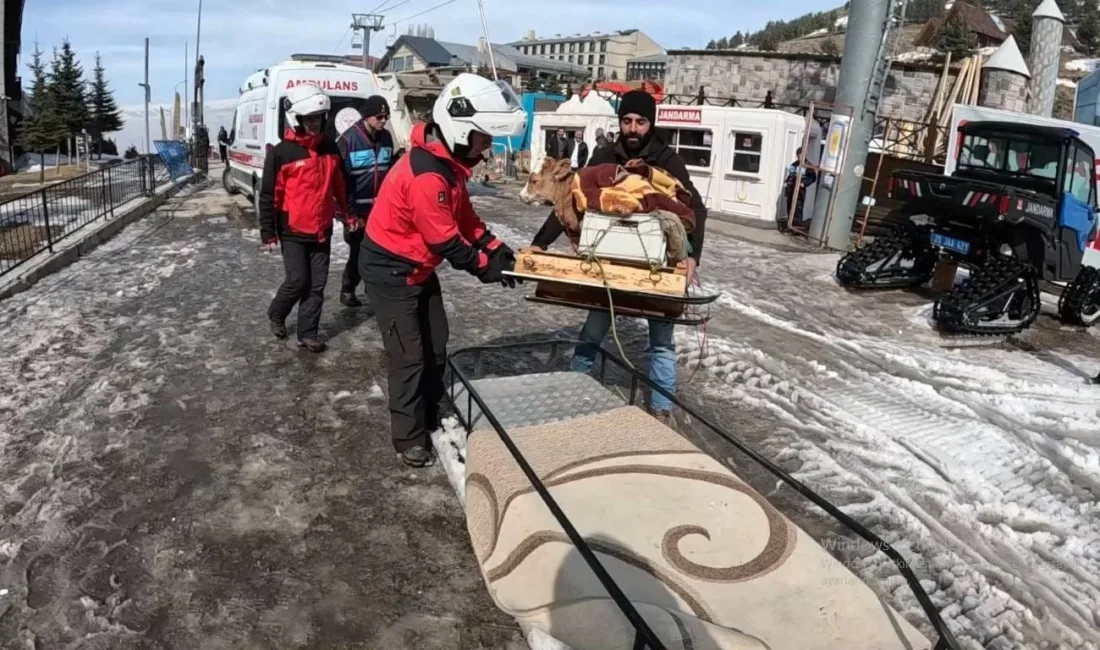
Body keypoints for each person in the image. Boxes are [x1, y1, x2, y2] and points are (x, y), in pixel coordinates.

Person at [360, 73, 526, 467]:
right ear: (460, 131)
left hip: (417, 264)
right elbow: (447, 242)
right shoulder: (427, 174)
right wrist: (488, 269)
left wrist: (497, 248)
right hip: (390, 268)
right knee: (408, 355)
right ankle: (407, 436)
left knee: (437, 341)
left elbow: (465, 218)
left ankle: (431, 408)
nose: (486, 150)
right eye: (484, 139)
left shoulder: (447, 165)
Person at [528, 90, 708, 424]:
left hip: (658, 264)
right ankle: (576, 384)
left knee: (661, 340)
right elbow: (571, 199)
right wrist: (540, 244)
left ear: (650, 123)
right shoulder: (605, 154)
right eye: (626, 121)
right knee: (594, 327)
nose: (633, 128)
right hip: (609, 260)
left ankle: (661, 407)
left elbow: (695, 208)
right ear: (619, 122)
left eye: (641, 121)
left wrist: (691, 257)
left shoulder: (668, 160)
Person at [258, 84, 350, 353]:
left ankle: (308, 333)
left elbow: (341, 186)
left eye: (318, 118)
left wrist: (349, 213)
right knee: (298, 281)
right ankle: (277, 312)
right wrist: (268, 231)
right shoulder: (282, 153)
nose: (314, 124)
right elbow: (268, 194)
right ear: (296, 119)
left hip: (322, 229)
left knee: (317, 285)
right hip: (293, 230)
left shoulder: (330, 149)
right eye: (309, 118)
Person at [335, 95, 398, 308]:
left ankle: (373, 289)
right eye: (379, 116)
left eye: (386, 117)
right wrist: (350, 215)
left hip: (379, 208)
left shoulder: (387, 138)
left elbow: (389, 170)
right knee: (360, 252)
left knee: (380, 250)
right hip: (355, 209)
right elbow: (342, 183)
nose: (383, 120)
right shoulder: (348, 140)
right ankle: (347, 288)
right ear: (367, 116)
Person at [779, 147, 817, 232]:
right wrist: (786, 182)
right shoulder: (794, 164)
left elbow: (813, 178)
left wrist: (804, 184)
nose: (800, 157)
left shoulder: (808, 166)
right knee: (790, 207)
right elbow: (790, 175)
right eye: (799, 155)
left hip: (800, 191)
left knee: (798, 209)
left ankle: (796, 228)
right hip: (791, 189)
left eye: (802, 155)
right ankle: (790, 225)